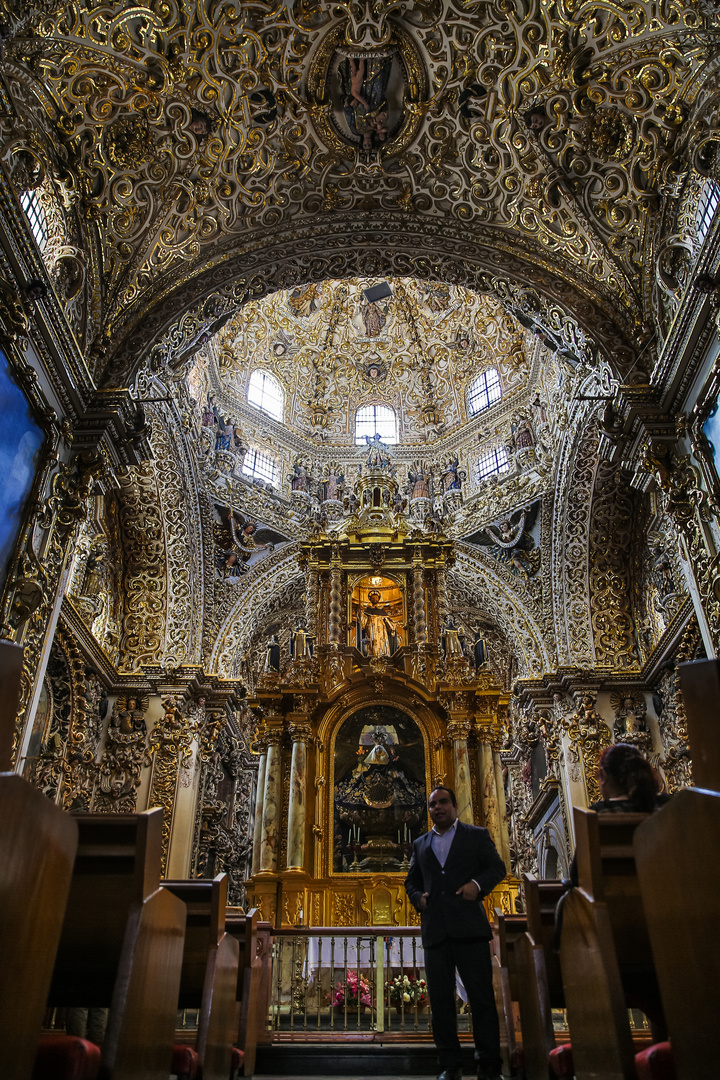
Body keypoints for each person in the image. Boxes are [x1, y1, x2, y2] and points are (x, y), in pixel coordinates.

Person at [405, 786, 506, 1080]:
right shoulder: (420, 844)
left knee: (482, 998)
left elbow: (496, 868)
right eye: (433, 804)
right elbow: (410, 881)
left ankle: (488, 1064)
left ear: (454, 805)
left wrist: (477, 884)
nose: (438, 807)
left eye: (443, 802)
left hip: (470, 930)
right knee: (441, 1002)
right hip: (436, 932)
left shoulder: (476, 835)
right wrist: (417, 898)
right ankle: (450, 1064)